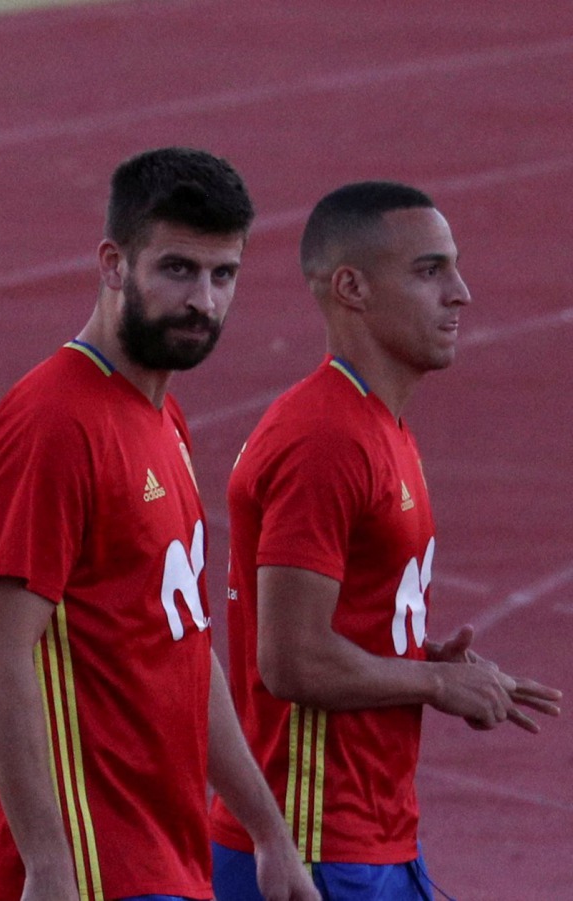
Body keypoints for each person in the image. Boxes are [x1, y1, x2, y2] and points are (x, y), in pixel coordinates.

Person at [0, 147, 320, 901]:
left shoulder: (162, 418)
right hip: (94, 868)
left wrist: (267, 827)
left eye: (225, 276)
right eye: (178, 270)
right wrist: (50, 865)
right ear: (113, 263)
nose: (204, 301)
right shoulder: (54, 426)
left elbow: (185, 649)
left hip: (165, 855)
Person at [209, 181, 562, 900]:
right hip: (316, 843)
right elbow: (291, 660)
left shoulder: (377, 425)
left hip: (370, 835)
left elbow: (331, 624)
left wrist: (421, 658)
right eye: (430, 271)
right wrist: (435, 682)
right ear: (351, 288)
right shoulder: (327, 439)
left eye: (453, 268)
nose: (460, 293)